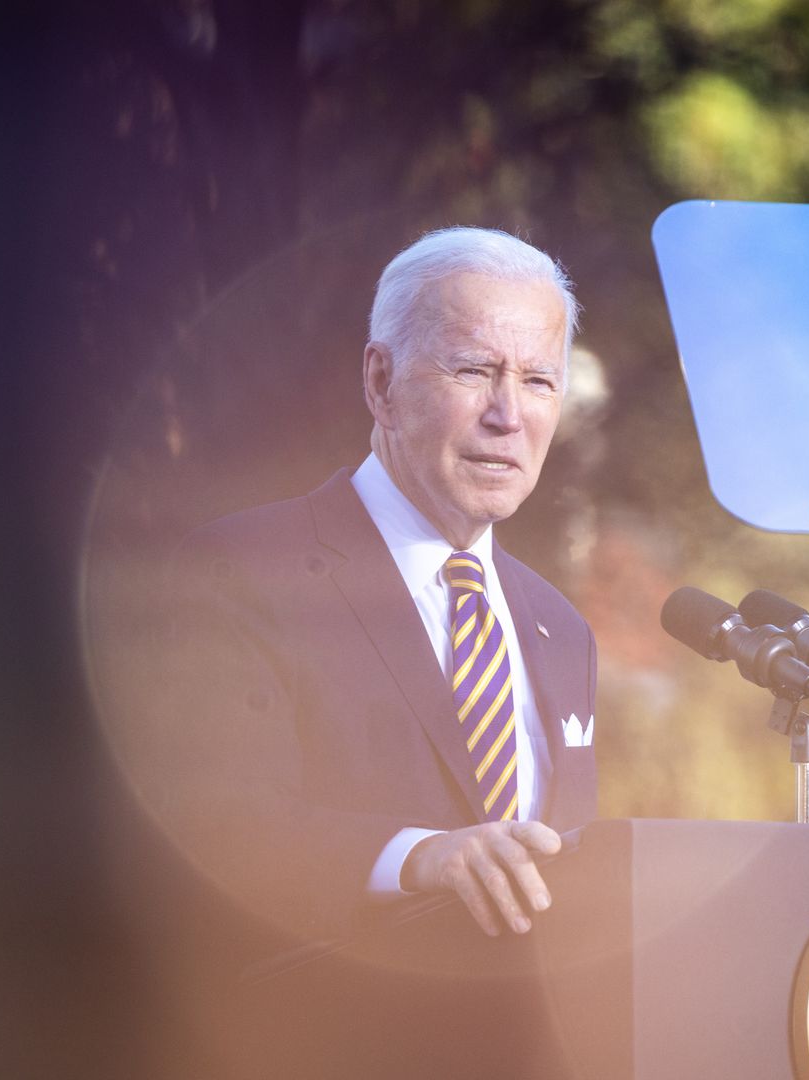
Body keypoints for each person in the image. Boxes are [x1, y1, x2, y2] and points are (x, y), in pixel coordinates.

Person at [152, 226, 597, 944]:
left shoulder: (562, 627)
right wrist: (420, 857)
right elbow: (217, 825)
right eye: (474, 371)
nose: (508, 415)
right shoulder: (239, 572)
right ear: (381, 383)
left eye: (539, 381)